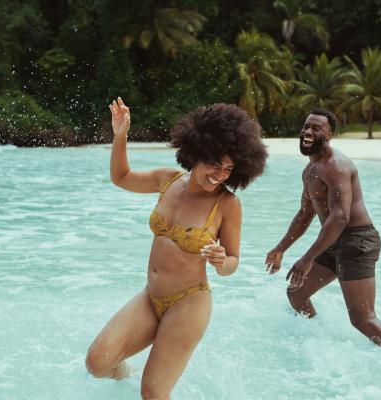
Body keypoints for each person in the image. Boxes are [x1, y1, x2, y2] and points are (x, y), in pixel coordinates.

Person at [86, 98, 267, 399]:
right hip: (150, 296)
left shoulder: (228, 205)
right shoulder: (168, 181)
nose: (220, 175)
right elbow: (121, 178)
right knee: (97, 362)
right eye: (214, 164)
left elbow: (232, 261)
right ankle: (125, 378)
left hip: (189, 304)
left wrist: (223, 261)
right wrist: (121, 135)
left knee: (153, 394)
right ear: (197, 151)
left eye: (228, 169)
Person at [265, 108, 381, 348]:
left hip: (357, 242)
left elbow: (340, 217)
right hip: (334, 241)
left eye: (316, 128)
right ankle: (316, 344)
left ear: (329, 135)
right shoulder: (310, 169)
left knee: (362, 320)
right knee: (296, 294)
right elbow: (305, 213)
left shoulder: (336, 166)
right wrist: (280, 248)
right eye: (306, 126)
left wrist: (307, 258)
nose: (307, 131)